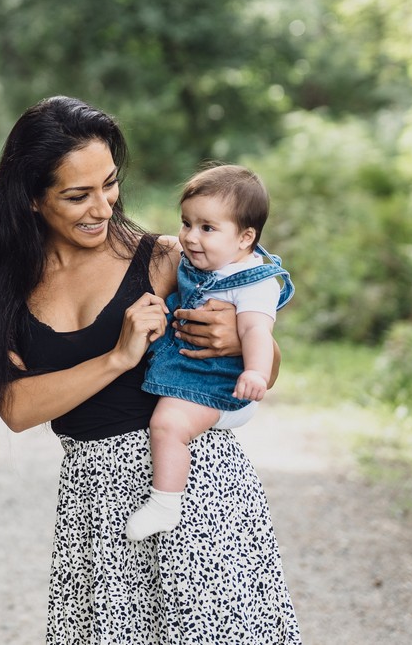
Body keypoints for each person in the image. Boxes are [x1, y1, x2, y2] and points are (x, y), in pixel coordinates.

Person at [0, 97, 302, 644]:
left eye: (110, 185)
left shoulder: (163, 259)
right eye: (78, 195)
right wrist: (117, 357)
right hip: (95, 502)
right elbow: (17, 409)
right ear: (32, 199)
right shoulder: (3, 288)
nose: (102, 207)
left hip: (194, 488)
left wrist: (242, 337)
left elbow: (262, 361)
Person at [125, 163, 296, 541]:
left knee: (168, 424)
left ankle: (165, 503)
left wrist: (255, 372)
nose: (190, 237)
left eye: (207, 228)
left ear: (245, 238)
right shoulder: (206, 262)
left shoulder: (253, 283)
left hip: (222, 382)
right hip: (193, 364)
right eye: (186, 223)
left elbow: (255, 330)